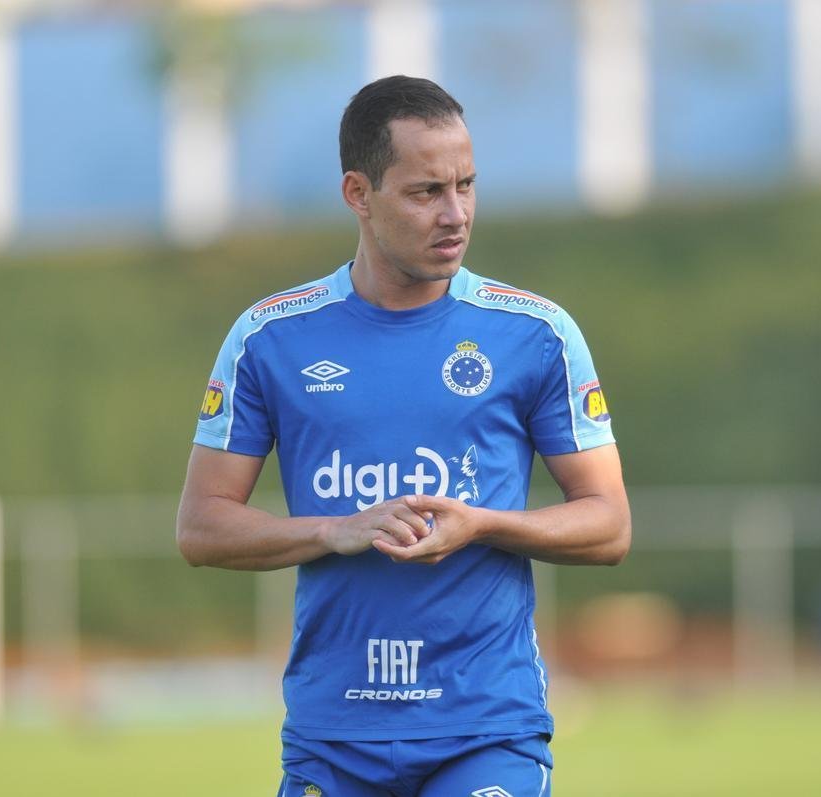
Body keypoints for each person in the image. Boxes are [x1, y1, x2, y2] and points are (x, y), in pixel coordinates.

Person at [176, 75, 630, 797]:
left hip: (486, 727)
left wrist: (481, 523)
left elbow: (609, 524)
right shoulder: (270, 337)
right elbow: (201, 526)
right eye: (426, 192)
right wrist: (335, 531)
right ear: (359, 193)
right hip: (335, 736)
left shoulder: (537, 334)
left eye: (467, 186)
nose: (456, 214)